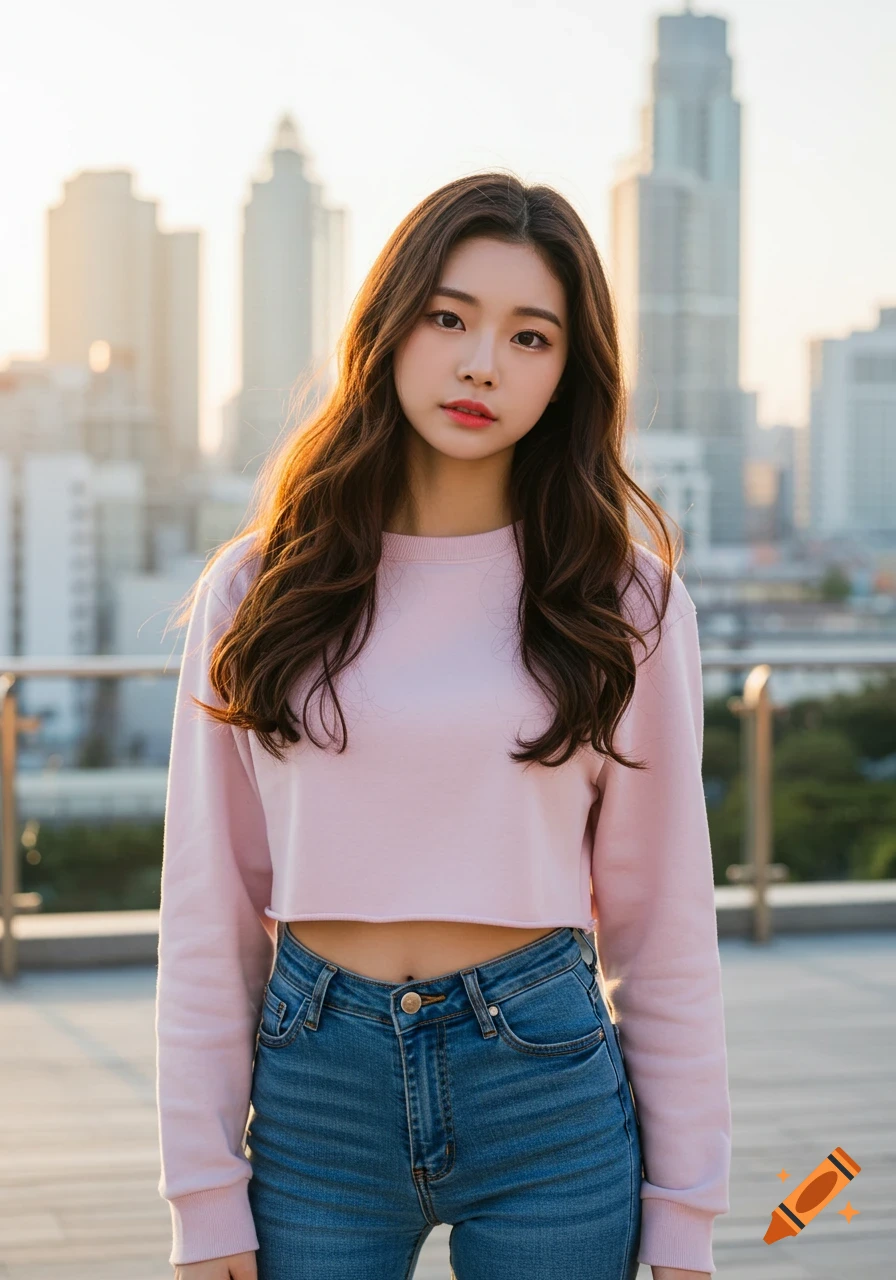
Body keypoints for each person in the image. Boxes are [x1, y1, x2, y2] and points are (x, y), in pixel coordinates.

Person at [155, 172, 731, 1280]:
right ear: (389, 325)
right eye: (449, 317)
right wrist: (202, 1190)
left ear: (569, 372)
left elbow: (664, 925)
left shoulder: (625, 600)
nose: (481, 363)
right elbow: (206, 904)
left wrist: (684, 1214)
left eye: (530, 336)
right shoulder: (258, 587)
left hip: (544, 1083)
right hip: (315, 1089)